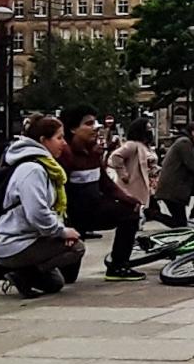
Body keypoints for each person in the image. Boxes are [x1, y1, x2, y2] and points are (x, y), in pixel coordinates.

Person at [0, 116, 85, 299]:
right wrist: (61, 232)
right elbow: (37, 213)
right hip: (13, 242)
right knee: (76, 248)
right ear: (43, 140)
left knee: (54, 284)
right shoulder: (32, 169)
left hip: (28, 238)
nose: (64, 143)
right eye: (59, 138)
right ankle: (15, 271)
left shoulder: (44, 167)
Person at [57, 106, 145, 282]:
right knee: (67, 278)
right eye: (88, 124)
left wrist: (129, 199)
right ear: (73, 129)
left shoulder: (93, 153)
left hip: (93, 208)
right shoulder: (65, 155)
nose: (95, 127)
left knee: (129, 214)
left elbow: (105, 184)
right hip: (73, 216)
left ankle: (118, 266)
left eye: (95, 122)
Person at [154, 122, 194, 228]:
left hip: (178, 188)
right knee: (180, 224)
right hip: (172, 190)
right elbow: (193, 166)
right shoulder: (184, 142)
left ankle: (193, 218)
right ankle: (150, 213)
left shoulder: (187, 143)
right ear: (193, 132)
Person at [107, 118, 158, 219]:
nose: (150, 131)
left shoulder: (146, 146)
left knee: (148, 211)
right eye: (147, 128)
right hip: (134, 183)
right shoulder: (132, 145)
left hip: (149, 184)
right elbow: (116, 156)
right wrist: (123, 174)